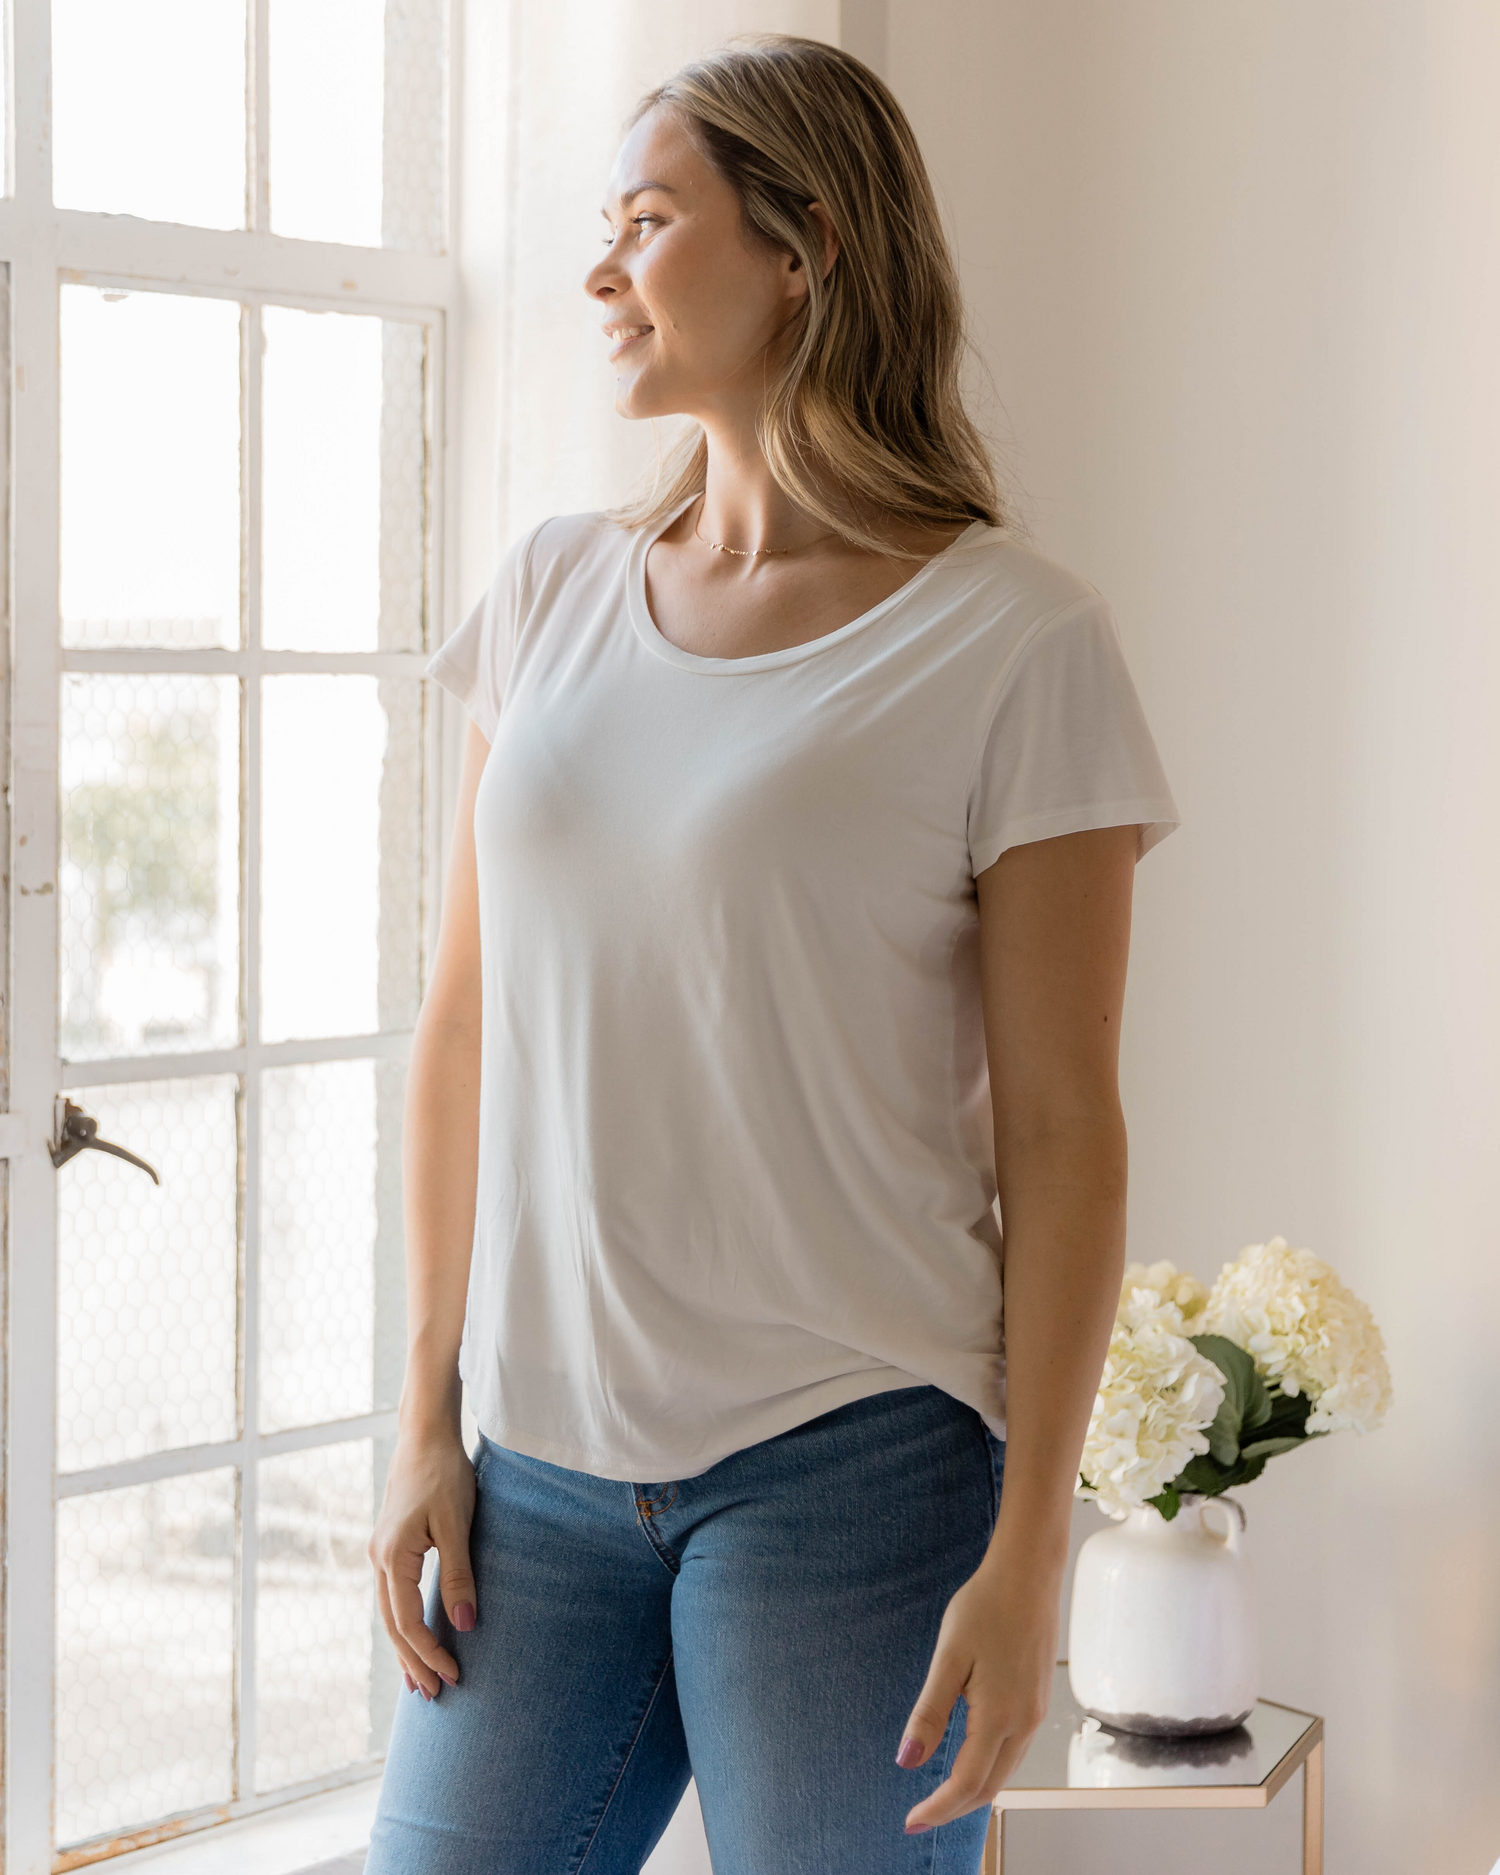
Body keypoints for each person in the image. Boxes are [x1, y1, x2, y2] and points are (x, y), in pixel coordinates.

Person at [364, 33, 1178, 1875]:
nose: (599, 271)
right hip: (539, 1470)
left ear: (801, 250)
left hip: (856, 1469)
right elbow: (460, 1029)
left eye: (648, 222)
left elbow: (1065, 1132)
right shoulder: (557, 592)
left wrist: (1030, 1544)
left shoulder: (1016, 640)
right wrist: (422, 1416)